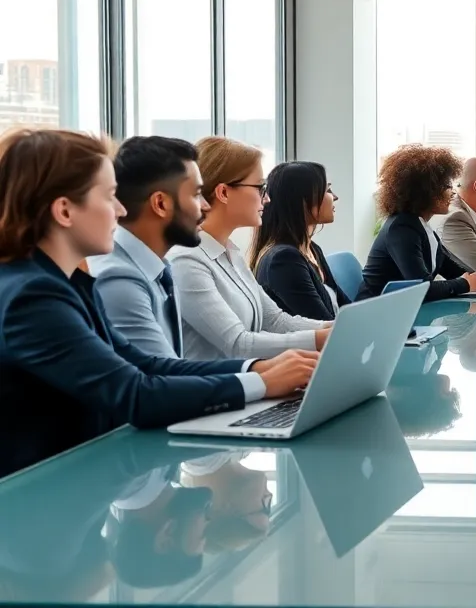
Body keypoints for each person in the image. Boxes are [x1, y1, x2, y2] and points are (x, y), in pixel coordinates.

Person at [0, 129, 315, 479]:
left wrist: (256, 370)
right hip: (37, 507)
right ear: (64, 211)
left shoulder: (68, 282)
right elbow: (134, 393)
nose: (121, 210)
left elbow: (145, 364)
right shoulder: (34, 297)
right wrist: (262, 384)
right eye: (109, 198)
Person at [170, 137, 330, 361]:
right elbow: (238, 344)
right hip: (221, 393)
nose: (267, 199)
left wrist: (334, 326)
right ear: (223, 193)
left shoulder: (230, 253)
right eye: (260, 187)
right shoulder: (186, 261)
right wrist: (322, 339)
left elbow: (274, 320)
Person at [88, 136, 209, 359]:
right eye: (196, 194)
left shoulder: (156, 268)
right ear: (161, 204)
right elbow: (162, 378)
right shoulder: (117, 278)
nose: (205, 206)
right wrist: (260, 376)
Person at [356, 145, 476, 301]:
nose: (452, 192)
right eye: (447, 186)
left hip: (400, 309)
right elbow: (422, 288)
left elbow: (453, 271)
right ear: (426, 191)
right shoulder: (402, 229)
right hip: (376, 313)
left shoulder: (421, 226)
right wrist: (465, 284)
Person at [251, 161, 348, 321]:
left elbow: (346, 308)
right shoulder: (283, 260)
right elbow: (322, 324)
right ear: (302, 201)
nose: (335, 197)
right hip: (318, 344)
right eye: (328, 190)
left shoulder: (312, 249)